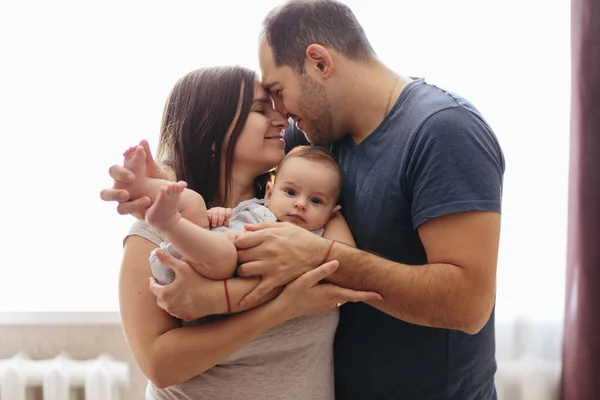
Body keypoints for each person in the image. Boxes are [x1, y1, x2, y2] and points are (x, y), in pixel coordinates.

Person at [227, 1, 505, 399]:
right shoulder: (311, 140)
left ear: (320, 62)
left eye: (278, 91)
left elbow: (469, 304)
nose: (281, 113)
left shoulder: (444, 131)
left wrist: (321, 256)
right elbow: (224, 158)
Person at [100, 66, 381, 399]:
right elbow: (160, 367)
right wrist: (282, 309)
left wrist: (218, 297)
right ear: (214, 135)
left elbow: (342, 273)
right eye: (261, 110)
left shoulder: (305, 215)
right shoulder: (153, 230)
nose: (282, 120)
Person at [115, 143, 351, 287]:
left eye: (316, 201)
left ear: (332, 213)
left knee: (226, 252)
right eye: (290, 192)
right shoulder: (255, 207)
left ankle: (169, 223)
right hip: (179, 254)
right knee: (194, 202)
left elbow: (344, 263)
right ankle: (139, 185)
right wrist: (218, 214)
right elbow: (222, 221)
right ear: (269, 193)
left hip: (203, 268)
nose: (300, 204)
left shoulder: (316, 239)